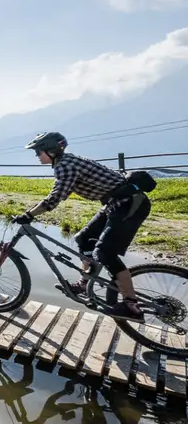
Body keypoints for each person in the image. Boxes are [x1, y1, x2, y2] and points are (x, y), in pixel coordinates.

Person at [13, 132, 150, 322]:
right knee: (83, 239)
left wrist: (28, 215)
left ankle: (131, 305)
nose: (37, 156)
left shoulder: (65, 166)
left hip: (130, 205)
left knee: (105, 253)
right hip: (114, 204)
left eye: (38, 152)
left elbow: (54, 198)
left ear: (52, 151)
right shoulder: (66, 161)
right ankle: (85, 283)